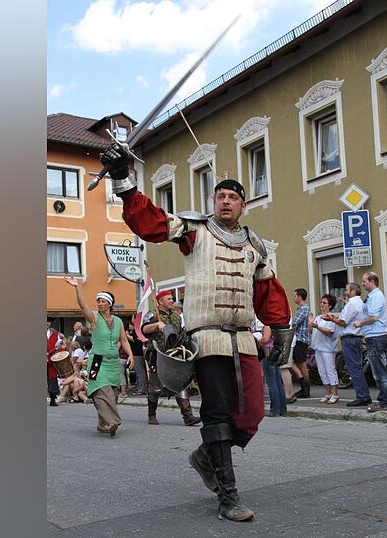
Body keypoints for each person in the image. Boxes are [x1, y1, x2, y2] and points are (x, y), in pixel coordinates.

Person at [101, 144, 292, 522]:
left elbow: (267, 290)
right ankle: (228, 495)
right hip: (205, 340)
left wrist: (281, 328)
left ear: (243, 205)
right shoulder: (194, 231)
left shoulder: (255, 245)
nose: (225, 201)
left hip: (243, 340)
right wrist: (124, 181)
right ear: (213, 201)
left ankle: (206, 457)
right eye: (220, 195)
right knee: (217, 414)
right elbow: (150, 222)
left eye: (233, 197)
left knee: (251, 415)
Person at [63, 277, 133, 437]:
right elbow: (82, 306)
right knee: (101, 391)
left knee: (113, 394)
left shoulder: (118, 321)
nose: (99, 303)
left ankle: (102, 424)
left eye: (102, 301)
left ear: (110, 303)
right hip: (97, 362)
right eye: (98, 301)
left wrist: (130, 355)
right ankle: (112, 420)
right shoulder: (94, 319)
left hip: (113, 363)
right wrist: (76, 287)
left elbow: (123, 340)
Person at [141, 289, 201, 426]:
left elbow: (180, 334)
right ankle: (152, 414)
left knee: (180, 384)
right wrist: (156, 325)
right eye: (168, 299)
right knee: (155, 387)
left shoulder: (176, 317)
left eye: (171, 298)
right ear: (160, 301)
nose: (171, 300)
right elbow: (144, 330)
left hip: (174, 354)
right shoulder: (152, 314)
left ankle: (188, 416)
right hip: (157, 354)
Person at [324, 282, 371, 407]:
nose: (345, 292)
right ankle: (363, 395)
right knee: (356, 367)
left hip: (350, 338)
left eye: (347, 290)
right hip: (354, 337)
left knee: (354, 368)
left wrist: (332, 319)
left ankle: (362, 396)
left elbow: (343, 322)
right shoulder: (357, 302)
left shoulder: (353, 303)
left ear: (353, 291)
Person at [354, 272, 387, 412]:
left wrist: (360, 323)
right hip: (373, 336)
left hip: (376, 337)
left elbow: (374, 317)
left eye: (364, 281)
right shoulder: (371, 296)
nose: (362, 284)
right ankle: (384, 400)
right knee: (378, 371)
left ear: (372, 281)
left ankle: (385, 401)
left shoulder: (376, 296)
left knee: (380, 371)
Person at [308, 294, 340, 404]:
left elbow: (329, 333)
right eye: (321, 302)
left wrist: (318, 327)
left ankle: (335, 394)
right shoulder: (318, 317)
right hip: (318, 348)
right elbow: (310, 331)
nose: (322, 304)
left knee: (330, 370)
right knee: (322, 372)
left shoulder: (331, 318)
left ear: (330, 306)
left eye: (324, 303)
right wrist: (311, 323)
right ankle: (328, 393)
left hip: (328, 349)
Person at [253, 317, 284, 417]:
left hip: (268, 353)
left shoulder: (266, 322)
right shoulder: (275, 321)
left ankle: (274, 409)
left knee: (271, 382)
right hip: (275, 351)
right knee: (277, 381)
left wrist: (259, 343)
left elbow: (265, 339)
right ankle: (282, 409)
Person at [289, 288, 312, 399]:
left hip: (301, 339)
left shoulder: (303, 308)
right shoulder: (301, 308)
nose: (294, 298)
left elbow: (294, 323)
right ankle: (303, 383)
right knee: (295, 361)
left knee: (301, 363)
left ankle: (306, 387)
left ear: (299, 296)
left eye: (295, 296)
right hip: (299, 339)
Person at [46, 316, 62, 407]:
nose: (47, 323)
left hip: (51, 359)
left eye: (49, 321)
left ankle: (53, 399)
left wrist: (60, 345)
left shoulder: (56, 334)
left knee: (52, 378)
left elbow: (58, 345)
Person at [128, 325, 147, 396]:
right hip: (136, 353)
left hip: (137, 353)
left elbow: (135, 339)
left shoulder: (137, 330)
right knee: (138, 372)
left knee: (140, 372)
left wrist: (125, 335)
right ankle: (140, 388)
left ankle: (141, 389)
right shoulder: (134, 331)